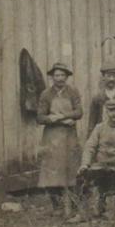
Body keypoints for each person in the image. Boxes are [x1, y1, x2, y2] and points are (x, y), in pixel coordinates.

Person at [75, 99, 115, 221]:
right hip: (101, 165)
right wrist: (85, 164)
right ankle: (83, 212)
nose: (114, 114)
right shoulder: (99, 128)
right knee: (82, 176)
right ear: (107, 112)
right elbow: (89, 147)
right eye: (111, 111)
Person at [37, 63, 83, 216]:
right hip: (52, 137)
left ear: (67, 77)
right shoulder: (46, 94)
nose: (60, 79)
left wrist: (64, 116)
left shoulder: (72, 91)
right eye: (57, 75)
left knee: (71, 169)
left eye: (63, 75)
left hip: (70, 136)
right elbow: (40, 117)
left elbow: (79, 112)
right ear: (52, 77)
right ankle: (56, 206)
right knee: (52, 171)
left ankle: (74, 205)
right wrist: (56, 120)